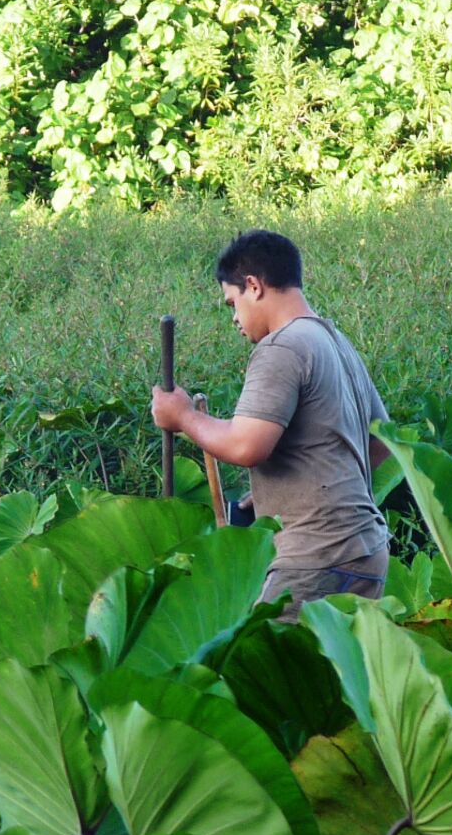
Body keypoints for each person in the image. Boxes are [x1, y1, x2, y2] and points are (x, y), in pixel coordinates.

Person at [151, 229, 391, 620]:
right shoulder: (335, 340)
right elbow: (380, 442)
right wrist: (287, 487)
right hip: (365, 552)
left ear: (253, 285)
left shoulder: (282, 346)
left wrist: (183, 417)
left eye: (233, 303)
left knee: (261, 672)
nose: (234, 318)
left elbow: (247, 447)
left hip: (314, 556)